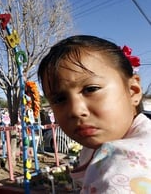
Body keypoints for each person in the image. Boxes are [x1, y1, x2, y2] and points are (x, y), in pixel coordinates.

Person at [37, 35, 151, 193]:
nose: (76, 111)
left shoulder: (122, 167)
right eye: (59, 99)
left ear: (133, 91)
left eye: (91, 89)